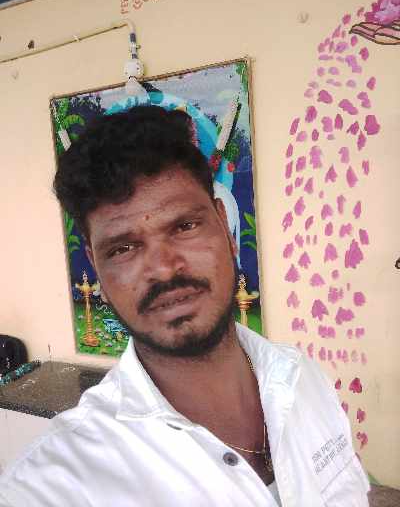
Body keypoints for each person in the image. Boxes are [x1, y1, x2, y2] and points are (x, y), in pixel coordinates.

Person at [0, 106, 370, 506]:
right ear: (97, 270)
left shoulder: (303, 379)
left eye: (184, 226)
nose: (163, 268)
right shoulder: (52, 486)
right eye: (123, 248)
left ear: (226, 228)